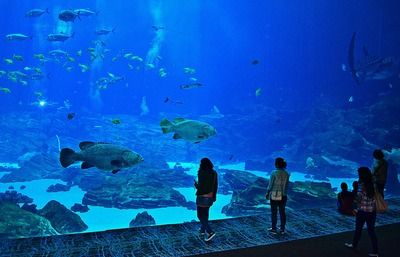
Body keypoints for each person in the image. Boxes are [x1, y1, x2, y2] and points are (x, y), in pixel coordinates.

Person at [345, 167, 378, 257]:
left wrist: (355, 207)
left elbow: (358, 199)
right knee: (371, 231)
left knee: (358, 230)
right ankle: (375, 251)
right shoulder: (374, 183)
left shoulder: (362, 185)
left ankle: (354, 245)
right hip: (372, 211)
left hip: (362, 211)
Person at [194, 158, 218, 242]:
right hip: (210, 197)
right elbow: (215, 186)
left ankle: (210, 231)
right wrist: (214, 197)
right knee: (206, 214)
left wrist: (196, 185)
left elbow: (201, 187)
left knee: (200, 215)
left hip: (202, 197)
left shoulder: (201, 172)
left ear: (202, 164)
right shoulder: (214, 173)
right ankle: (202, 230)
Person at [266, 157, 290, 234]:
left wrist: (267, 192)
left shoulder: (274, 172)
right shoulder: (287, 173)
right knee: (282, 212)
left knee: (274, 212)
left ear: (276, 164)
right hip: (284, 194)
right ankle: (282, 228)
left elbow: (270, 184)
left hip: (276, 193)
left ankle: (274, 228)